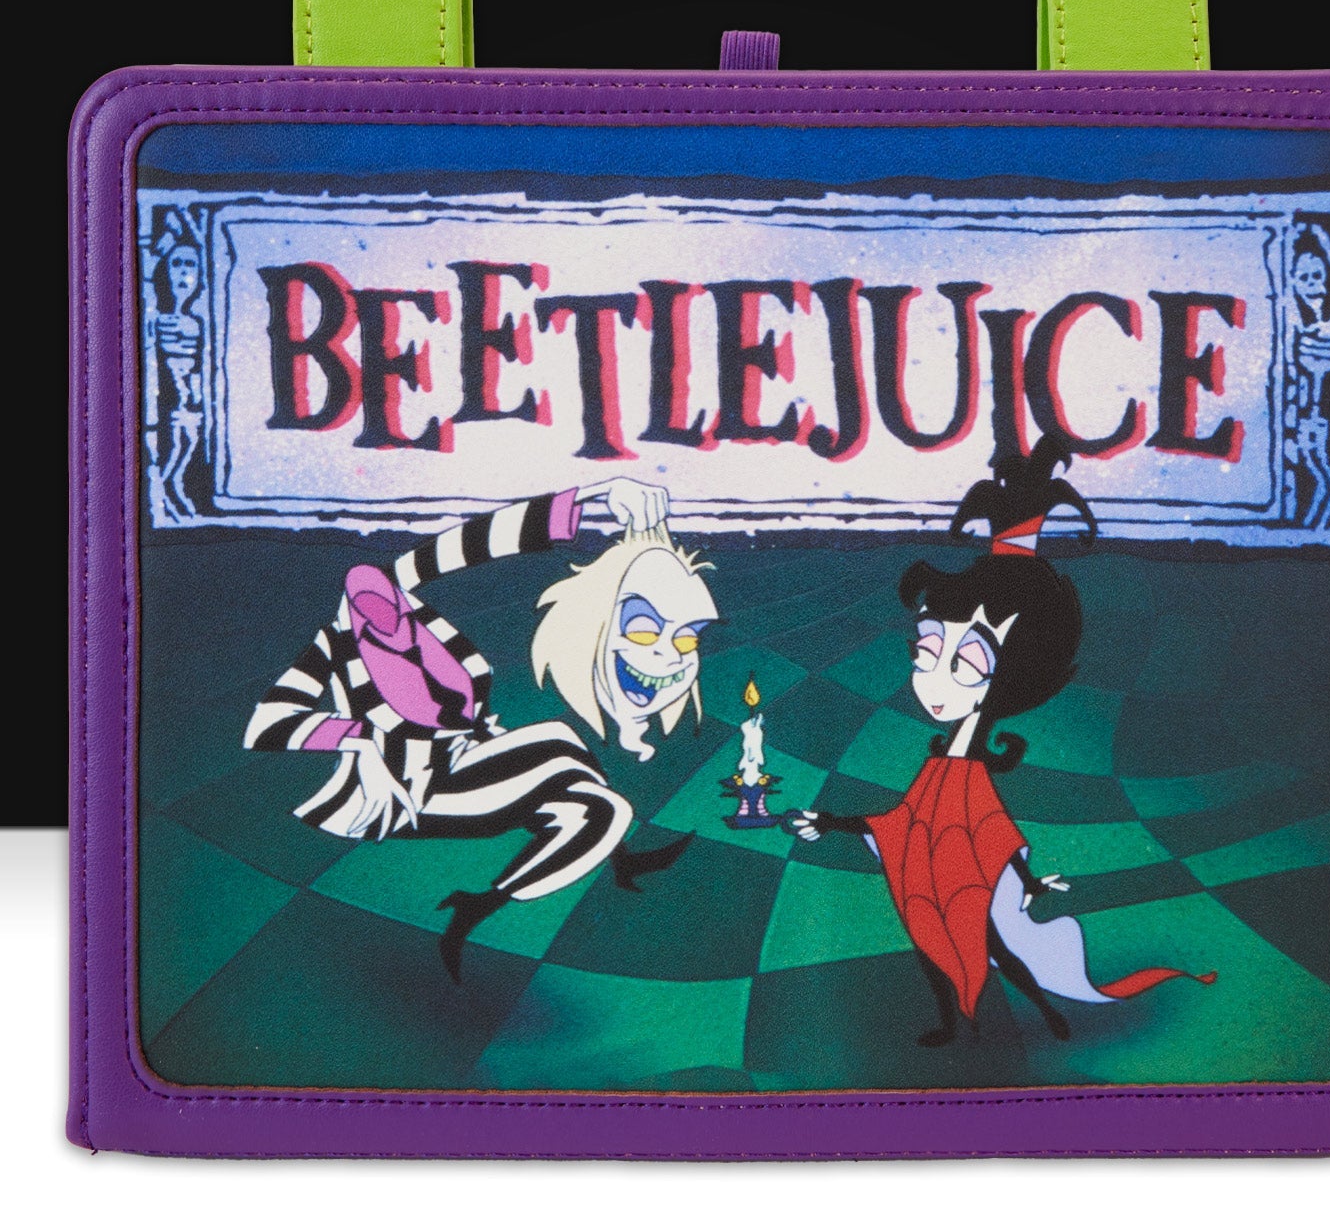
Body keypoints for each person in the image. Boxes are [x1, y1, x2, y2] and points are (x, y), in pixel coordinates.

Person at [790, 440, 1214, 1044]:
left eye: (966, 663)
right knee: (931, 944)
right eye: (926, 653)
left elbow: (992, 834)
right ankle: (960, 1022)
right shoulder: (945, 763)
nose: (934, 680)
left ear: (1014, 673)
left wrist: (1031, 885)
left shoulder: (964, 772)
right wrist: (830, 822)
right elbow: (902, 823)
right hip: (932, 880)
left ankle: (1046, 1013)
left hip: (964, 881)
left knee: (993, 949)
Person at [245, 477, 717, 980]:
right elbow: (267, 726)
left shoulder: (410, 610)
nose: (385, 612)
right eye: (369, 609)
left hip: (469, 761)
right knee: (584, 781)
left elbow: (480, 539)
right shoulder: (332, 647)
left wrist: (599, 491)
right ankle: (482, 905)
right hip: (411, 792)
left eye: (390, 601)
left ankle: (616, 862)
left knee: (583, 783)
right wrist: (355, 737)